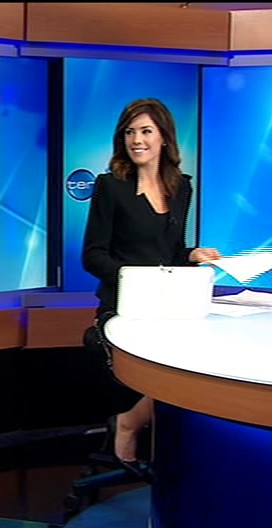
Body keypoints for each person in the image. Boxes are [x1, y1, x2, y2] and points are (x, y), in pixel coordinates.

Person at [82, 98, 221, 464]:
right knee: (171, 370)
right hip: (123, 307)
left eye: (146, 131)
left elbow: (170, 252)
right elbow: (93, 255)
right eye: (130, 132)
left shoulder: (181, 188)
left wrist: (191, 255)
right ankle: (129, 424)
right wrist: (136, 281)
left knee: (198, 363)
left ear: (164, 138)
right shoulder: (111, 186)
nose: (137, 140)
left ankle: (173, 454)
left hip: (167, 306)